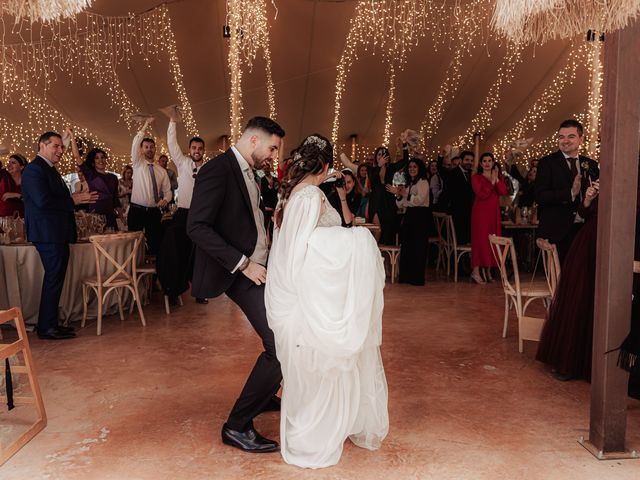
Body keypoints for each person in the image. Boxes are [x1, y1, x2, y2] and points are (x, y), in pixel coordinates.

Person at [265, 133, 388, 468]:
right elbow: (301, 252)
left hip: (316, 296)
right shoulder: (309, 197)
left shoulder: (299, 193)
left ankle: (329, 424)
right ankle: (314, 434)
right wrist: (357, 242)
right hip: (311, 299)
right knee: (321, 368)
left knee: (320, 369)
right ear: (323, 164)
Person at [187, 116, 285, 453]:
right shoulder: (217, 169)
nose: (273, 155)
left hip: (258, 266)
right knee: (280, 344)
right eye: (272, 147)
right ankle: (237, 426)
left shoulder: (249, 172)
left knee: (283, 332)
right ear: (254, 140)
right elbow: (197, 227)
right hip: (238, 271)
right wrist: (243, 265)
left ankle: (265, 394)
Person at [21, 131, 97, 340]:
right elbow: (42, 201)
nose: (60, 151)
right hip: (47, 232)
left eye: (61, 147)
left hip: (56, 232)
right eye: (56, 146)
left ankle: (50, 323)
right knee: (54, 278)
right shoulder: (34, 169)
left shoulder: (48, 169)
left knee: (55, 278)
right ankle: (46, 327)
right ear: (42, 146)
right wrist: (74, 199)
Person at [536, 180, 600, 381]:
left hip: (612, 242)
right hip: (588, 245)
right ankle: (573, 362)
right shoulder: (602, 182)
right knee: (581, 300)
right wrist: (588, 200)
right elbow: (583, 214)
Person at [535, 119, 599, 264]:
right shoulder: (547, 163)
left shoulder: (591, 165)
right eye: (561, 137)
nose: (565, 141)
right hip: (558, 232)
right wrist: (570, 193)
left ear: (581, 139)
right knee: (563, 280)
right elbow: (540, 196)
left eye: (571, 136)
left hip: (586, 230)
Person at [160, 109, 207, 304]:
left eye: (200, 148)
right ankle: (174, 290)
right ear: (190, 149)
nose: (196, 150)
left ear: (203, 151)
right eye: (194, 147)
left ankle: (200, 291)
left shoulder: (209, 168)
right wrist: (173, 122)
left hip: (201, 216)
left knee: (201, 254)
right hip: (183, 214)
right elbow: (172, 144)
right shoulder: (182, 163)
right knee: (178, 252)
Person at [128, 118, 172, 254]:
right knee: (133, 245)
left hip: (153, 211)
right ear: (141, 149)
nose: (149, 149)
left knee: (155, 243)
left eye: (151, 147)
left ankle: (154, 274)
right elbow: (135, 143)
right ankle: (133, 272)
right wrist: (145, 126)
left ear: (155, 149)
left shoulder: (161, 171)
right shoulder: (137, 163)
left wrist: (166, 200)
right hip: (136, 211)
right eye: (146, 147)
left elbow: (168, 191)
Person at [388, 159, 430, 285]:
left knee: (418, 247)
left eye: (415, 167)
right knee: (407, 246)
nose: (412, 169)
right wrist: (399, 195)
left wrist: (404, 194)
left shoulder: (423, 182)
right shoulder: (408, 183)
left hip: (421, 217)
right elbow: (401, 204)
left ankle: (416, 278)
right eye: (410, 167)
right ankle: (406, 277)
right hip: (410, 216)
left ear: (419, 168)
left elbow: (419, 201)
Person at [67, 129, 120, 229]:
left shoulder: (113, 177)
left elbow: (115, 199)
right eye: (97, 158)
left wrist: (121, 214)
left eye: (103, 157)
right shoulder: (90, 174)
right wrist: (72, 136)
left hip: (110, 216)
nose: (101, 160)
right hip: (96, 215)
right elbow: (77, 157)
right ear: (93, 162)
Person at [470, 153, 508, 284]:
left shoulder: (497, 176)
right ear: (480, 164)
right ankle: (476, 271)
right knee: (480, 240)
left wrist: (496, 179)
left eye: (489, 161)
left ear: (493, 162)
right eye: (484, 161)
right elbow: (482, 194)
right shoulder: (476, 178)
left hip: (493, 213)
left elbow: (503, 191)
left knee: (492, 240)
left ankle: (488, 270)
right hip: (480, 213)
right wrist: (491, 183)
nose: (487, 163)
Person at [446, 150, 475, 245]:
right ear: (461, 160)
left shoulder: (473, 174)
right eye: (467, 160)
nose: (469, 162)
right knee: (460, 240)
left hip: (470, 213)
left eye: (471, 160)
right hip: (457, 214)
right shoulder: (452, 173)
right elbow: (451, 194)